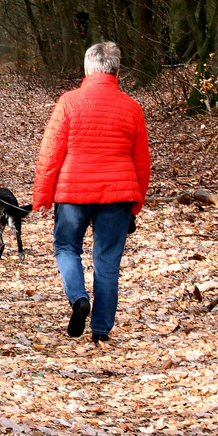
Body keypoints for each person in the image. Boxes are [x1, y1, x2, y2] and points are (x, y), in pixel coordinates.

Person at [31, 41, 150, 343]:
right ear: (117, 71)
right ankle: (101, 330)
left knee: (66, 248)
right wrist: (135, 203)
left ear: (86, 68)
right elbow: (142, 162)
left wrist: (42, 196)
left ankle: (78, 298)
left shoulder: (68, 102)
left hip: (73, 192)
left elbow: (50, 153)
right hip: (118, 195)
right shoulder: (132, 107)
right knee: (108, 261)